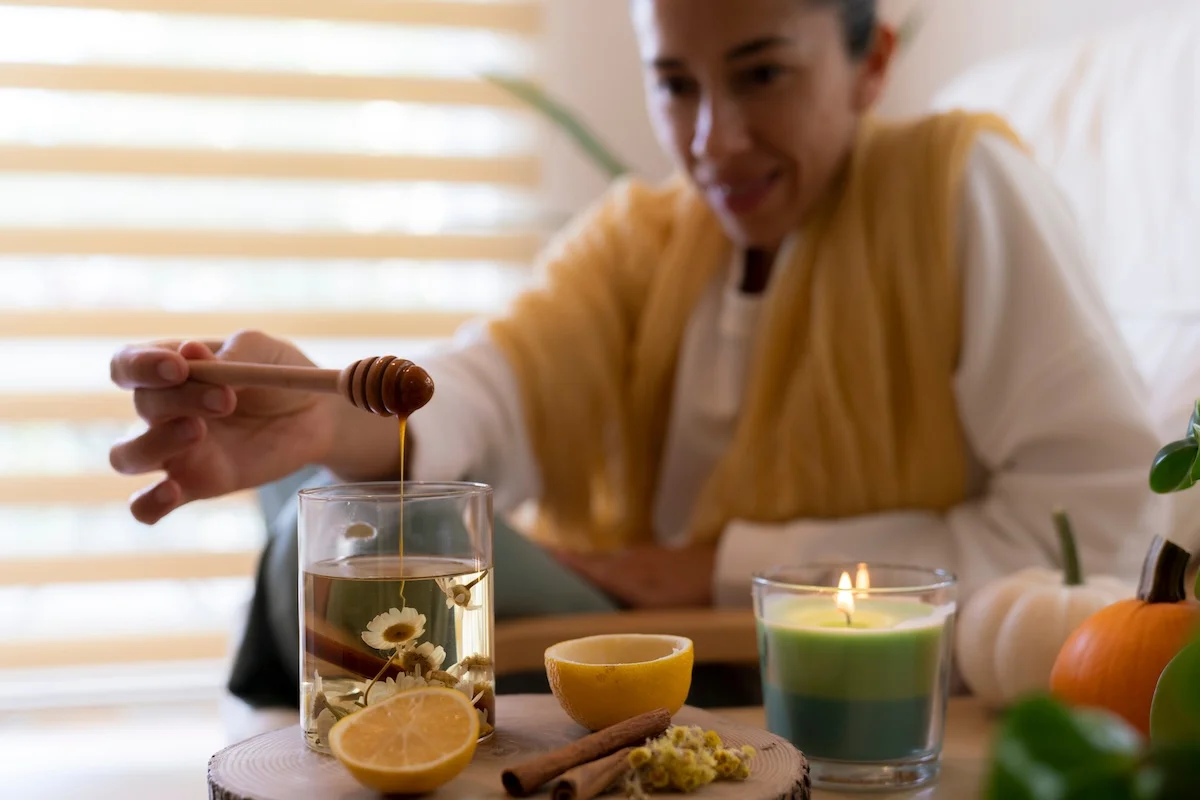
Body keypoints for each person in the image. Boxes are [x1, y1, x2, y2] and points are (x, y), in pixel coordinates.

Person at [108, 0, 1164, 710]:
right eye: (677, 85)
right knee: (308, 472)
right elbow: (494, 379)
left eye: (760, 76)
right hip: (609, 612)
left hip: (770, 654)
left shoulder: (959, 182)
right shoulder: (640, 234)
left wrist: (710, 569)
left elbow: (1090, 526)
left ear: (870, 63)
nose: (714, 141)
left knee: (327, 537)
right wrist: (337, 420)